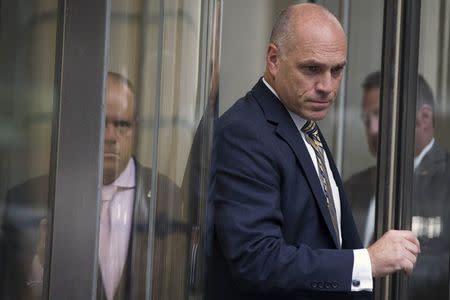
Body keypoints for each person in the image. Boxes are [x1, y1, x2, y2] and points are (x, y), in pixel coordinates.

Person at [207, 4, 420, 300]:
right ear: (273, 59)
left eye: (337, 70)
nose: (327, 86)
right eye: (312, 69)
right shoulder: (244, 132)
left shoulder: (302, 121)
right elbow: (258, 261)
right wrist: (367, 262)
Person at [0, 72, 182, 300]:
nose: (110, 136)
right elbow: (13, 290)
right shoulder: (28, 197)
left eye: (122, 124)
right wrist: (41, 265)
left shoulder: (167, 196)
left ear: (135, 129)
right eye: (100, 123)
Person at [345, 71, 450, 299]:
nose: (372, 129)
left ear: (423, 118)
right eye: (366, 119)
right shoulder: (354, 186)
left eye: (380, 115)